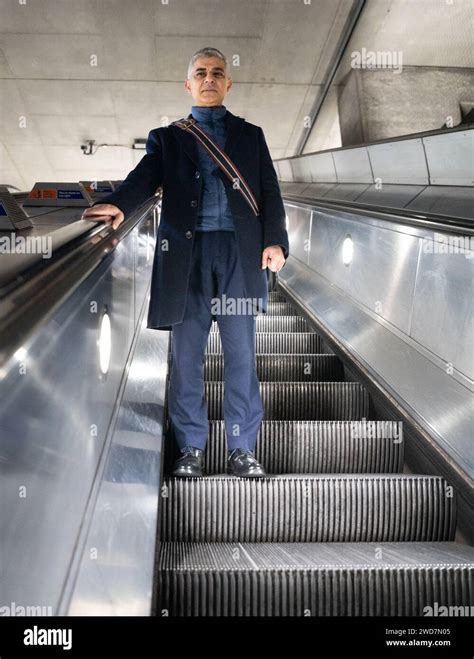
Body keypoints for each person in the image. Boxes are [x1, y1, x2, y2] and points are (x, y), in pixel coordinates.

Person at [82, 47, 289, 478]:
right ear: (189, 84)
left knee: (241, 355)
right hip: (185, 258)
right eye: (201, 73)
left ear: (228, 83)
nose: (209, 78)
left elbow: (269, 191)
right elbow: (145, 174)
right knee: (187, 355)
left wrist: (276, 241)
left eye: (217, 72)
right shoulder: (169, 137)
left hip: (238, 254)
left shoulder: (250, 136)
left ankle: (242, 448)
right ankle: (191, 447)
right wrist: (118, 204)